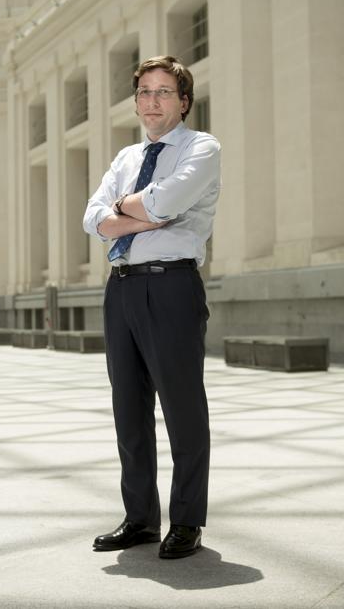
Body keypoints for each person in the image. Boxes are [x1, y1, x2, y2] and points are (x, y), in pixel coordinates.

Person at [82, 55, 221, 559]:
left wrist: (128, 209)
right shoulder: (124, 158)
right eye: (144, 91)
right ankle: (140, 517)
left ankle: (186, 520)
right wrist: (134, 212)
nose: (152, 100)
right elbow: (92, 220)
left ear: (183, 101)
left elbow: (166, 204)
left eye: (164, 91)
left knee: (182, 407)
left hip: (171, 287)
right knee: (128, 409)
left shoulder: (201, 148)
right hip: (120, 288)